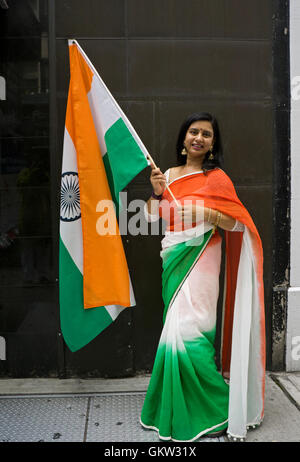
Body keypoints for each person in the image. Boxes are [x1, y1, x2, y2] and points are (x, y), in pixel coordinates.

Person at [140, 112, 266, 442]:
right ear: (183, 140)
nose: (199, 138)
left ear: (212, 144)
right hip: (173, 258)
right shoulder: (166, 175)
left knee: (189, 331)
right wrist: (155, 194)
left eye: (207, 134)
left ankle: (218, 407)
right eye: (193, 132)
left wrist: (205, 212)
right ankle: (177, 406)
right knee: (174, 331)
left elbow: (236, 224)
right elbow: (153, 218)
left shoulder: (217, 178)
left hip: (203, 260)